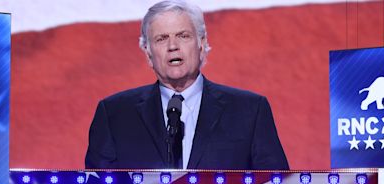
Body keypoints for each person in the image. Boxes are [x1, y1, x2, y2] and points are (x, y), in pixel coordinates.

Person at [85, 0, 289, 170]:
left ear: (201, 44)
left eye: (183, 36)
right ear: (148, 52)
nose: (173, 46)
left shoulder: (249, 110)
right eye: (161, 39)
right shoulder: (114, 114)